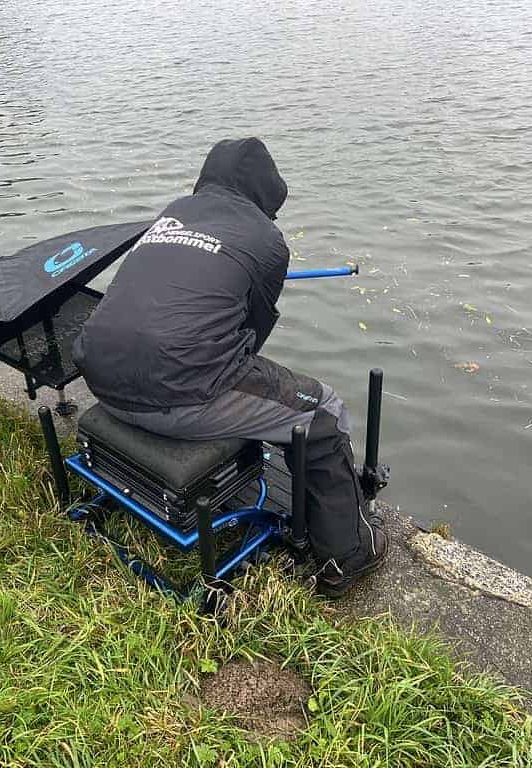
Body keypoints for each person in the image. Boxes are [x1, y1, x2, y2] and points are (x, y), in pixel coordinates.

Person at [72, 137, 387, 596]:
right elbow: (252, 336)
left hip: (99, 374)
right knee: (323, 412)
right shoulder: (267, 240)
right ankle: (349, 554)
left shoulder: (173, 212)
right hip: (176, 393)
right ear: (267, 193)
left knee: (237, 378)